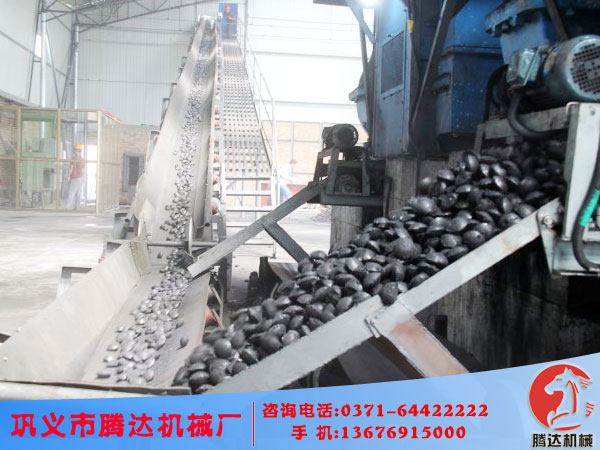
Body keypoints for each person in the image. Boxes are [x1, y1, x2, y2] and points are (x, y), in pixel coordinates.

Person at [66, 144, 85, 210]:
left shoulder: (74, 159)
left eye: (75, 151)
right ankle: (77, 207)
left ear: (77, 151)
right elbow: (83, 169)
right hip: (80, 178)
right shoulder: (82, 160)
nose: (74, 152)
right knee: (79, 194)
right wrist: (83, 177)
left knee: (72, 193)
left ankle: (68, 207)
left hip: (75, 178)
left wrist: (68, 176)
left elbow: (71, 168)